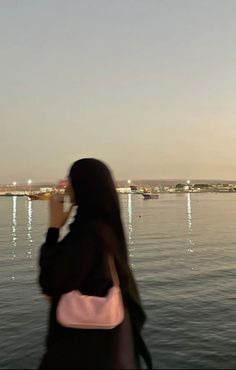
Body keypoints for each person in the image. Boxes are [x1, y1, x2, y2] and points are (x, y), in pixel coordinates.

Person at [38, 158, 152, 369]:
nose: (67, 186)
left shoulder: (87, 234)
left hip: (80, 353)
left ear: (82, 187)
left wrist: (53, 227)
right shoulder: (107, 230)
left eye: (70, 181)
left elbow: (49, 283)